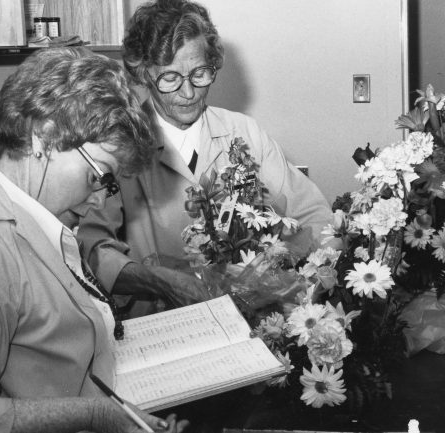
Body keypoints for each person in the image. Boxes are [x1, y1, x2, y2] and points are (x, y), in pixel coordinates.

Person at [0, 47, 188, 433]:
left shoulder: (33, 218)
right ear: (43, 136)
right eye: (98, 175)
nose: (100, 198)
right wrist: (95, 416)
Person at [77, 0, 333, 315]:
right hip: (160, 322)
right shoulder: (118, 144)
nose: (188, 92)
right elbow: (92, 248)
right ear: (143, 74)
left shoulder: (243, 133)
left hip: (249, 317)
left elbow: (314, 215)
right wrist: (160, 282)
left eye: (199, 73)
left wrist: (298, 270)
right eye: (169, 78)